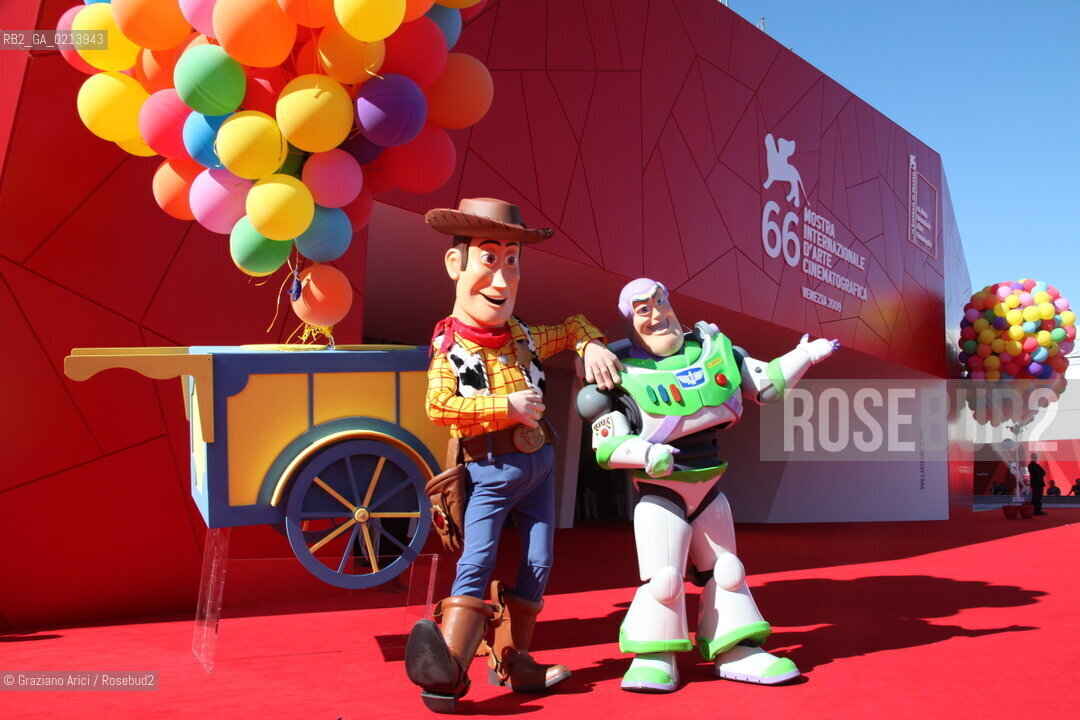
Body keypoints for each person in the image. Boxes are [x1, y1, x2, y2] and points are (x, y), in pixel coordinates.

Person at [403, 198, 622, 713]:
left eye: (512, 262)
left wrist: (589, 344)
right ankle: (448, 671)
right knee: (476, 560)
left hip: (540, 467)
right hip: (491, 470)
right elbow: (439, 405)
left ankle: (516, 659)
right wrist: (506, 405)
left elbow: (570, 326)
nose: (501, 281)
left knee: (539, 561)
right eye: (488, 259)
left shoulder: (521, 336)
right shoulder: (451, 348)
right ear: (456, 265)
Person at [576, 278, 838, 692]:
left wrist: (805, 353)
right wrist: (646, 455)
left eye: (661, 302)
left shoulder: (716, 350)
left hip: (709, 487)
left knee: (728, 571)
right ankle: (655, 654)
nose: (658, 314)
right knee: (664, 578)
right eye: (643, 309)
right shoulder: (617, 373)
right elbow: (608, 446)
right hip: (660, 493)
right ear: (630, 320)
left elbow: (765, 386)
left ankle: (734, 649)